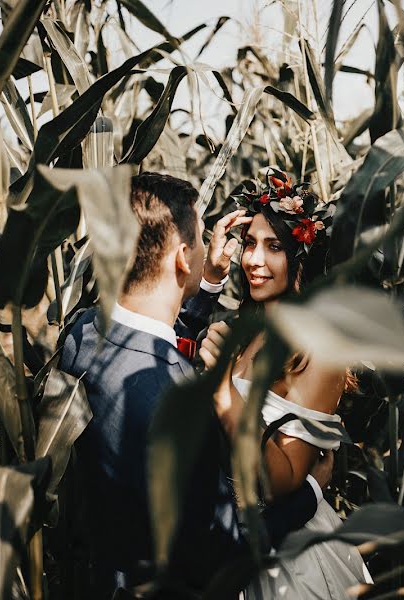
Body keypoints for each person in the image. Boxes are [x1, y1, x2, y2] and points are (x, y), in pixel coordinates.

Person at [58, 172, 331, 597]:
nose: (250, 259)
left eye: (273, 246)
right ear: (184, 257)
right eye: (203, 238)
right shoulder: (179, 402)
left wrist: (208, 284)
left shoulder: (81, 333)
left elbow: (146, 341)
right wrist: (310, 495)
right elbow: (223, 555)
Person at [199, 170, 372, 599]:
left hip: (292, 563)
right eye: (251, 244)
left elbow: (281, 482)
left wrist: (223, 393)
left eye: (274, 247)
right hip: (230, 543)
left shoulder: (320, 350)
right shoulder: (248, 330)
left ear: (302, 259)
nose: (254, 260)